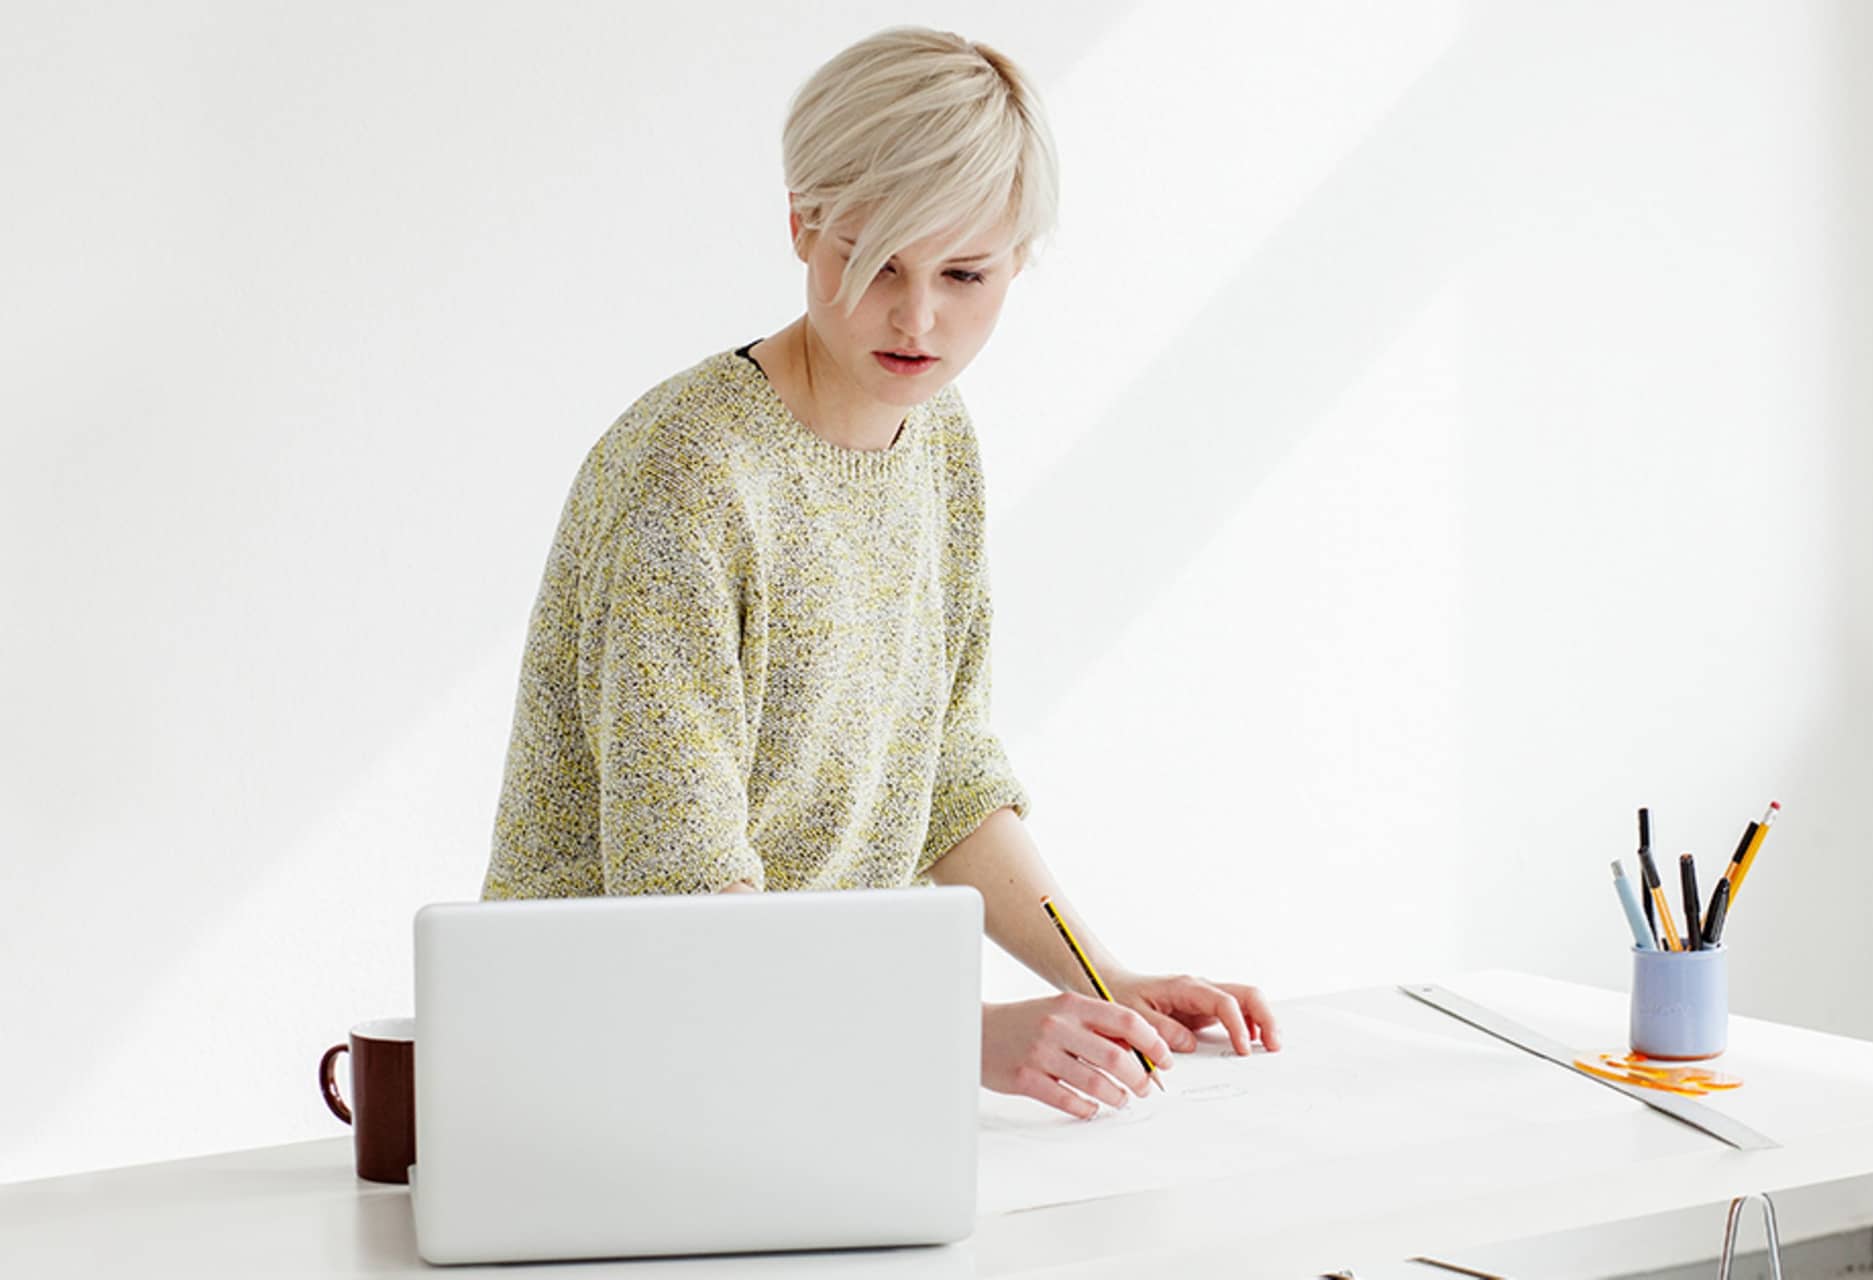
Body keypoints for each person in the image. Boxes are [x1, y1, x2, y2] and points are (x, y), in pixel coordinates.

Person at [481, 24, 1281, 1122]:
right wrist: (963, 1038)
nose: (917, 319)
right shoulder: (690, 477)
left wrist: (1107, 982)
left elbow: (944, 774)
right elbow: (681, 899)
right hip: (603, 1081)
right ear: (803, 226)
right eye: (874, 263)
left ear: (1019, 259)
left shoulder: (935, 437)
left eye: (963, 273)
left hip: (815, 1077)